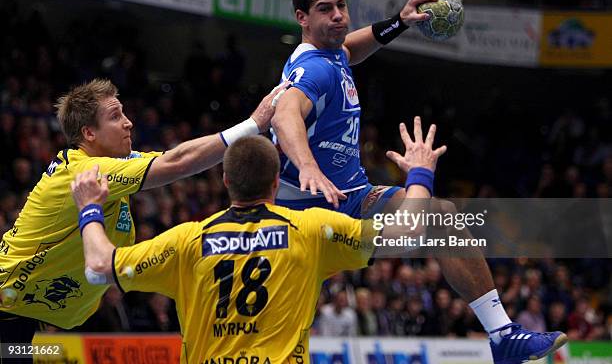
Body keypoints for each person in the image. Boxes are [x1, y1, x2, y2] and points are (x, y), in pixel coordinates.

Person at [74, 120, 565, 363]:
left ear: (224, 183)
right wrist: (420, 171)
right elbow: (412, 226)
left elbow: (99, 265)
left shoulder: (186, 240)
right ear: (276, 187)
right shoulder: (307, 231)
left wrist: (90, 205)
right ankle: (501, 333)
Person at [271, 0, 567, 363]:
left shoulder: (331, 55)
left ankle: (503, 335)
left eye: (342, 6)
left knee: (442, 216)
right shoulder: (315, 70)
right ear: (301, 18)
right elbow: (284, 115)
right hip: (308, 215)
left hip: (351, 198)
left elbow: (350, 51)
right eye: (326, 10)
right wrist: (306, 165)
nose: (339, 16)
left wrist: (399, 22)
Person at [0, 78, 289, 346]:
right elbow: (178, 163)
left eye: (124, 113)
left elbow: (178, 158)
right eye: (115, 117)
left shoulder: (116, 166)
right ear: (89, 133)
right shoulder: (87, 170)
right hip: (7, 308)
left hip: (29, 312)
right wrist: (252, 124)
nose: (128, 123)